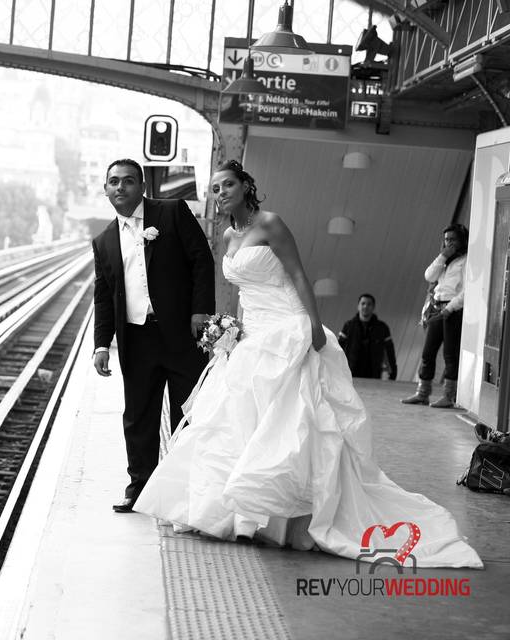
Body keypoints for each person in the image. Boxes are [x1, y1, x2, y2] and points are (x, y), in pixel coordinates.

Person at [134, 160, 481, 568]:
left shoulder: (271, 223)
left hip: (287, 326)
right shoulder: (228, 234)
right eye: (215, 189)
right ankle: (239, 514)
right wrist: (232, 331)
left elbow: (298, 275)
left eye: (228, 184)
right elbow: (245, 291)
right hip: (252, 333)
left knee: (292, 418)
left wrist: (313, 326)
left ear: (246, 186)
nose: (221, 192)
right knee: (239, 419)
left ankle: (289, 519)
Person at [91, 158, 215, 513]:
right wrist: (102, 344)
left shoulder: (172, 212)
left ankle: (186, 488)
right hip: (137, 339)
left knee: (188, 413)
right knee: (139, 416)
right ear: (105, 189)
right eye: (113, 181)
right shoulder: (103, 242)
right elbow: (103, 295)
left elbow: (201, 260)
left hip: (180, 334)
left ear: (141, 186)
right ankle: (139, 487)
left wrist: (200, 311)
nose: (120, 187)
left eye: (128, 181)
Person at [402, 224, 469, 408]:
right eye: (446, 239)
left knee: (450, 354)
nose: (449, 243)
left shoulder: (466, 260)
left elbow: (467, 291)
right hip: (437, 308)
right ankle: (422, 393)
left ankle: (449, 396)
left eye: (453, 239)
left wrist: (451, 308)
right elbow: (429, 276)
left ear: (462, 240)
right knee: (427, 352)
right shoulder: (445, 260)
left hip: (453, 310)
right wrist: (443, 255)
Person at [338, 293, 397, 379]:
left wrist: (393, 372)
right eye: (363, 303)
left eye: (369, 304)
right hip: (351, 374)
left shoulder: (382, 328)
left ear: (373, 307)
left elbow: (390, 352)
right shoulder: (348, 326)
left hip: (373, 374)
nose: (365, 306)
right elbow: (339, 348)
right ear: (358, 306)